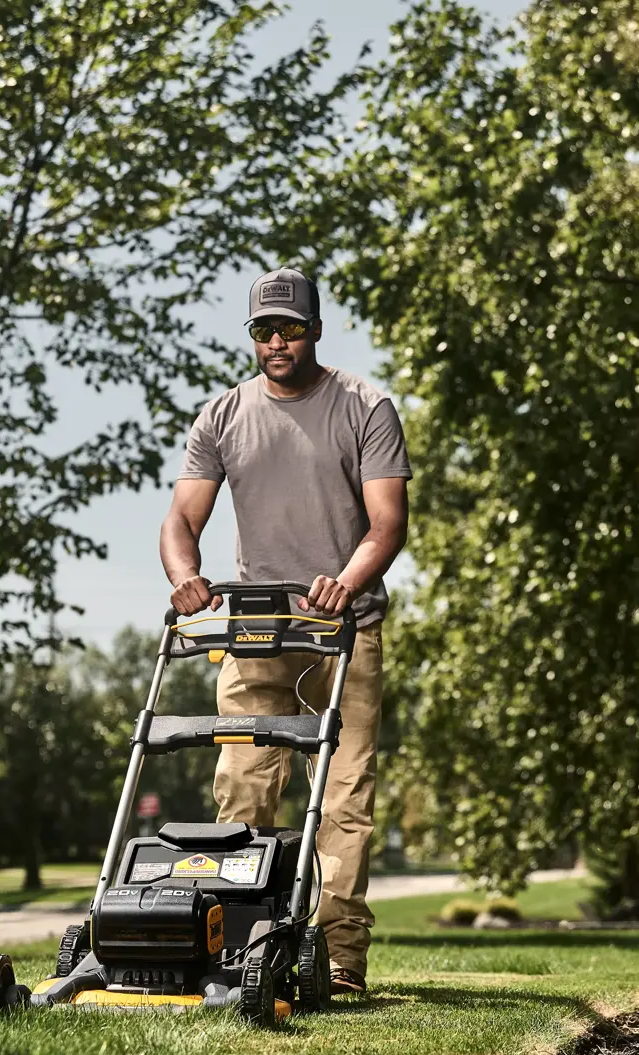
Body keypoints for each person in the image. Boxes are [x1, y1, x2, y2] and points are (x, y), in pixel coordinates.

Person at [159, 266, 411, 995]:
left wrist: (347, 579)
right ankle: (239, 946)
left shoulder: (365, 405)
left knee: (342, 798)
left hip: (344, 630)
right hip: (257, 628)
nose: (276, 342)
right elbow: (181, 519)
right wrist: (184, 573)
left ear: (315, 330)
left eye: (290, 329)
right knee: (241, 785)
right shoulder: (223, 416)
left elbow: (387, 523)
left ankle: (340, 963)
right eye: (263, 331)